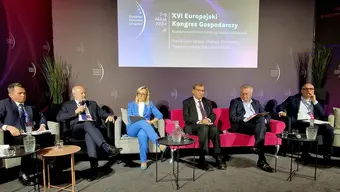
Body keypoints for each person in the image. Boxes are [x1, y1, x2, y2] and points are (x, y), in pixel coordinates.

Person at [56, 85, 122, 181]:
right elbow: (59, 117)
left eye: (84, 92)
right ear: (74, 94)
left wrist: (109, 116)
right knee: (87, 123)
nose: (84, 94)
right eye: (81, 93)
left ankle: (93, 169)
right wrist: (75, 111)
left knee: (89, 134)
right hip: (76, 130)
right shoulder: (67, 105)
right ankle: (106, 147)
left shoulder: (92, 103)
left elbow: (102, 113)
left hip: (91, 129)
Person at [0, 83, 53, 185]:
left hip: (31, 132)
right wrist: (7, 127)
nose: (23, 95)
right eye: (20, 93)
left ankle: (49, 168)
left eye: (24, 93)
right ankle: (23, 174)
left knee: (47, 137)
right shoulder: (4, 104)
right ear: (11, 95)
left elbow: (41, 116)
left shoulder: (30, 104)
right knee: (27, 141)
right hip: (13, 136)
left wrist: (42, 125)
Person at [276, 83, 334, 163]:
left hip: (313, 122)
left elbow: (322, 114)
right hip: (298, 122)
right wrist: (281, 112)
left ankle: (327, 155)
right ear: (302, 91)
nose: (309, 91)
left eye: (311, 89)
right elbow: (280, 106)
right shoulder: (293, 99)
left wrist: (314, 101)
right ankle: (305, 153)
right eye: (306, 89)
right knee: (310, 126)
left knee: (329, 128)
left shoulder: (317, 100)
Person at [229, 84, 273, 172]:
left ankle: (260, 154)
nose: (244, 96)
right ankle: (262, 160)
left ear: (251, 94)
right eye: (242, 94)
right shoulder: (235, 102)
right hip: (241, 125)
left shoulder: (256, 102)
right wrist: (245, 118)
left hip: (255, 125)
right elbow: (232, 118)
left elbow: (266, 114)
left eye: (247, 94)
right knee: (261, 127)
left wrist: (264, 121)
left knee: (261, 121)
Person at [182, 83, 226, 171]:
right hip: (192, 126)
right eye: (199, 90)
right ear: (193, 91)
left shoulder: (207, 101)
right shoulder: (187, 102)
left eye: (202, 90)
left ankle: (218, 157)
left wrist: (208, 120)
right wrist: (200, 121)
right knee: (204, 127)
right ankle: (202, 159)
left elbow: (212, 115)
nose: (201, 93)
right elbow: (186, 118)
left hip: (206, 124)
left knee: (214, 128)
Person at [127, 86, 167, 170]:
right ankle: (159, 144)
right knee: (142, 122)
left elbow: (160, 115)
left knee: (142, 134)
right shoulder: (131, 104)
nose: (141, 95)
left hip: (144, 128)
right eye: (139, 93)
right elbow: (129, 119)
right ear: (137, 94)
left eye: (143, 94)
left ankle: (143, 161)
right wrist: (141, 121)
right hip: (132, 128)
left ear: (146, 95)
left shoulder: (149, 105)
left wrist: (151, 122)